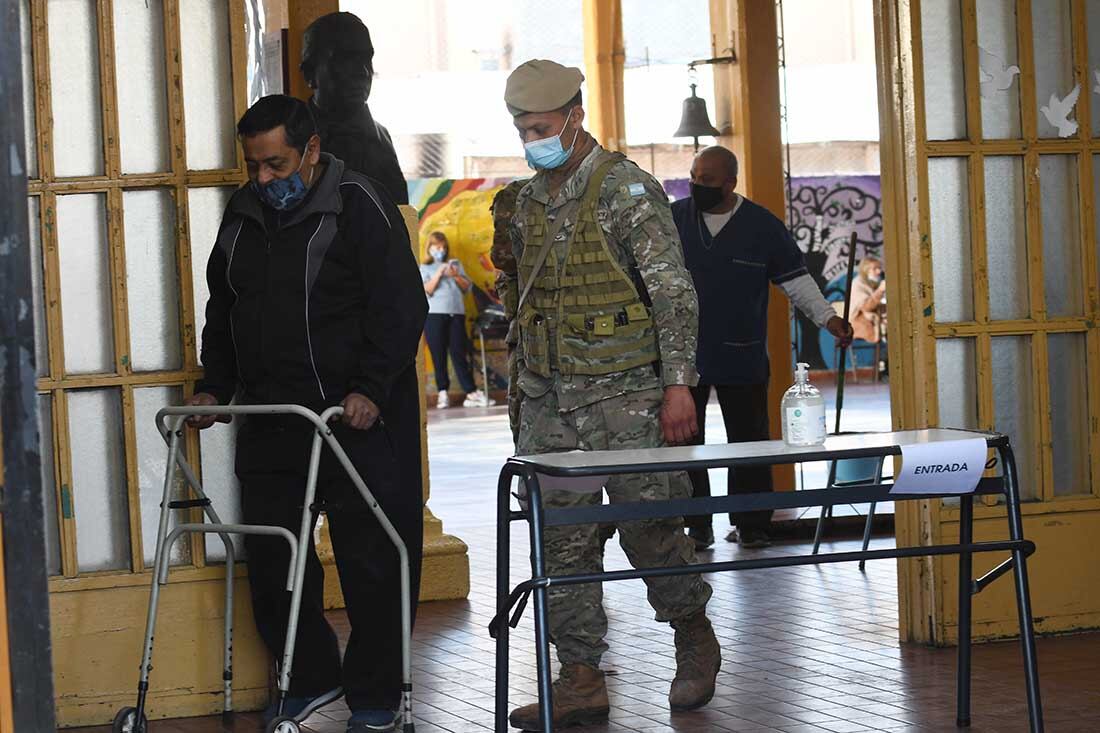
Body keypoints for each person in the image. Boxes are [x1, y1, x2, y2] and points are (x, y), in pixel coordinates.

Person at [186, 95, 426, 733]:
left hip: (354, 420)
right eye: (255, 167)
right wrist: (215, 388)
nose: (265, 179)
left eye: (276, 164)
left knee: (370, 559)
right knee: (275, 563)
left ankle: (376, 696)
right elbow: (225, 313)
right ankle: (309, 678)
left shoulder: (359, 205)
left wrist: (372, 388)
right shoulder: (241, 218)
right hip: (274, 417)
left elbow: (400, 306)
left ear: (311, 150)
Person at [501, 59, 719, 731]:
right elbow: (522, 300)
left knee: (649, 528)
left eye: (541, 126)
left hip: (626, 395)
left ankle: (692, 635)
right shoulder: (523, 202)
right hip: (550, 400)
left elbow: (672, 291)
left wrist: (678, 386)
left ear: (574, 116)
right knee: (560, 543)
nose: (532, 139)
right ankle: (581, 677)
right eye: (522, 128)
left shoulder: (625, 190)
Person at [671, 146, 853, 551]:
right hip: (681, 358)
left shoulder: (762, 227)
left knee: (750, 442)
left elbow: (797, 281)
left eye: (708, 180)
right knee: (684, 443)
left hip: (742, 353)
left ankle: (752, 523)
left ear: (731, 183)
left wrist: (829, 319)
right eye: (694, 178)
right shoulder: (673, 219)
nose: (698, 186)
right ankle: (695, 524)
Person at [300, 12, 408, 205]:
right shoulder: (292, 139)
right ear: (310, 73)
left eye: (367, 58)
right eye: (345, 59)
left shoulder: (381, 137)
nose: (363, 71)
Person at [420, 231, 489, 408]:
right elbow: (427, 290)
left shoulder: (455, 264)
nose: (440, 250)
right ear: (430, 247)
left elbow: (467, 287)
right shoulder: (424, 267)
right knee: (438, 354)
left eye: (443, 247)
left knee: (459, 353)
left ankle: (471, 393)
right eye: (437, 246)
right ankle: (442, 393)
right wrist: (440, 273)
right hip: (434, 315)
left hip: (456, 314)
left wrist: (455, 274)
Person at [849, 256, 887, 344]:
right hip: (862, 323)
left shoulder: (875, 282)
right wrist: (880, 291)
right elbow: (866, 307)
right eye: (875, 269)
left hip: (880, 319)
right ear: (866, 270)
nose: (879, 271)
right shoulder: (858, 284)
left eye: (879, 268)